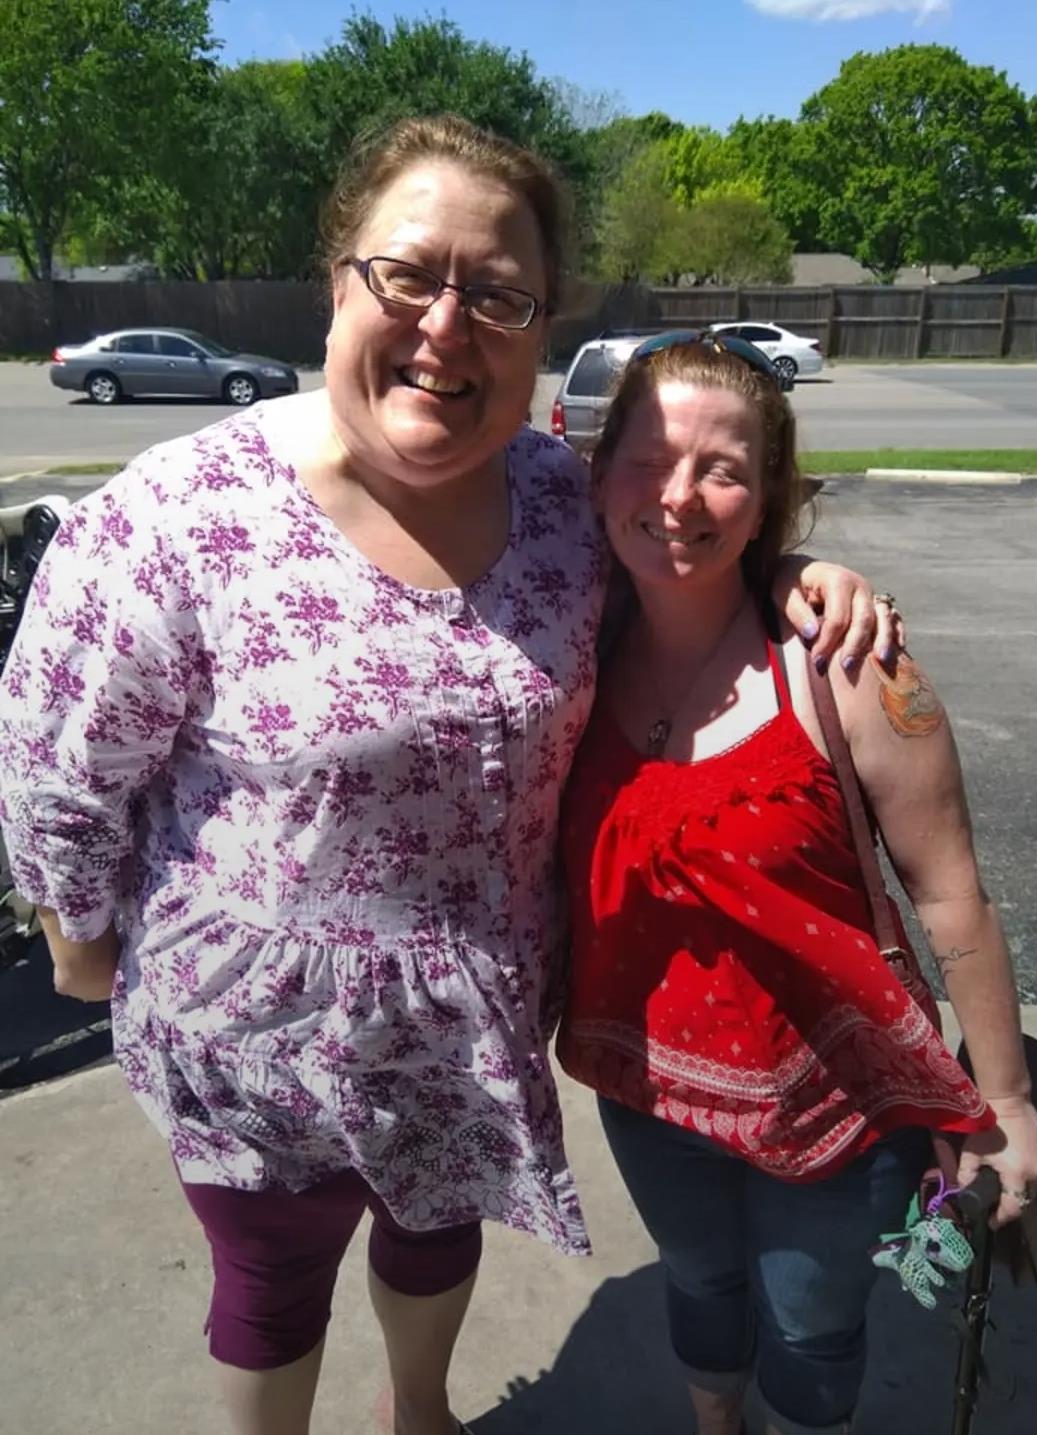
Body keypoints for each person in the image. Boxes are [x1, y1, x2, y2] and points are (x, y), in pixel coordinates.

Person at [0, 118, 898, 1435]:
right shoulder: (172, 519)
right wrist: (81, 943)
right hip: (254, 1033)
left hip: (475, 1009)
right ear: (335, 276)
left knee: (433, 1237)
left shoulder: (559, 505)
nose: (445, 324)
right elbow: (58, 769)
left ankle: (415, 1408)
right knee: (272, 1276)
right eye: (407, 275)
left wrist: (789, 577)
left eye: (497, 294)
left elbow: (680, 575)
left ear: (539, 327)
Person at [556, 332, 1037, 1435]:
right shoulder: (567, 644)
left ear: (769, 493)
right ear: (596, 472)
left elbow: (949, 893)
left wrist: (1005, 1103)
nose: (677, 494)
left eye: (721, 467)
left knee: (809, 1323)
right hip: (640, 1092)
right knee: (697, 1284)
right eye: (645, 457)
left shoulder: (845, 667)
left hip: (835, 1113)